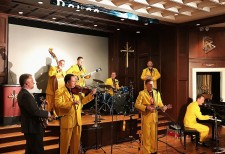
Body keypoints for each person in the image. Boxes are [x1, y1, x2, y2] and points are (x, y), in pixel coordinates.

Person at [55, 74, 96, 154]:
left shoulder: (76, 91)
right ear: (67, 82)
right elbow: (58, 104)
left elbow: (82, 103)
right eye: (73, 81)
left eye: (75, 81)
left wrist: (91, 95)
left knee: (75, 145)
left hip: (77, 121)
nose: (75, 83)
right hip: (67, 121)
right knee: (65, 145)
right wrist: (71, 103)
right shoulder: (60, 91)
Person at [17, 73, 51, 154]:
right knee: (38, 150)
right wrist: (48, 114)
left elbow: (32, 108)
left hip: (31, 127)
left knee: (30, 151)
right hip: (32, 128)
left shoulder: (25, 93)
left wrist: (41, 104)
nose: (34, 82)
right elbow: (34, 112)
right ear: (26, 83)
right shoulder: (25, 95)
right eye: (32, 81)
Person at [135, 79, 168, 154]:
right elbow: (137, 104)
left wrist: (163, 107)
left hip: (154, 117)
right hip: (146, 117)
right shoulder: (142, 93)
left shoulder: (156, 93)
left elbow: (160, 103)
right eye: (150, 84)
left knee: (154, 136)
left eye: (152, 84)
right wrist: (146, 107)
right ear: (146, 85)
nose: (152, 86)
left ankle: (154, 151)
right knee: (146, 136)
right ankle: (147, 152)